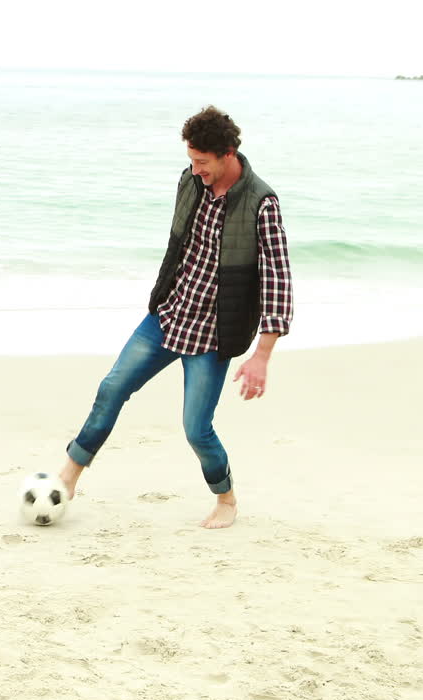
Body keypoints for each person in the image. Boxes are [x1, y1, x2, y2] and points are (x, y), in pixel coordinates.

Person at [59, 106, 293, 529]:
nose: (195, 169)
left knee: (196, 429)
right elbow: (181, 249)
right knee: (112, 388)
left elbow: (278, 278)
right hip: (169, 316)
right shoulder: (190, 182)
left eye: (202, 162)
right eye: (191, 160)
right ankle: (69, 476)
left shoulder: (262, 203)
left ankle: (226, 499)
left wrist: (262, 355)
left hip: (212, 333)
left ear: (227, 154)